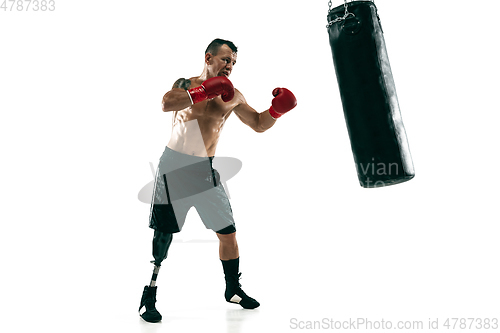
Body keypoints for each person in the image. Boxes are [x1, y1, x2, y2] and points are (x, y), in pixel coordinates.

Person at [138, 38, 297, 323]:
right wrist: (203, 91)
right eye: (226, 59)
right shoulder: (186, 83)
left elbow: (259, 124)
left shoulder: (233, 95)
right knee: (164, 233)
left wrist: (277, 110)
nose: (230, 66)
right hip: (174, 164)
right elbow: (166, 103)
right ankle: (149, 294)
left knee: (228, 231)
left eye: (234, 62)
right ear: (209, 58)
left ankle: (233, 289)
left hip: (204, 170)